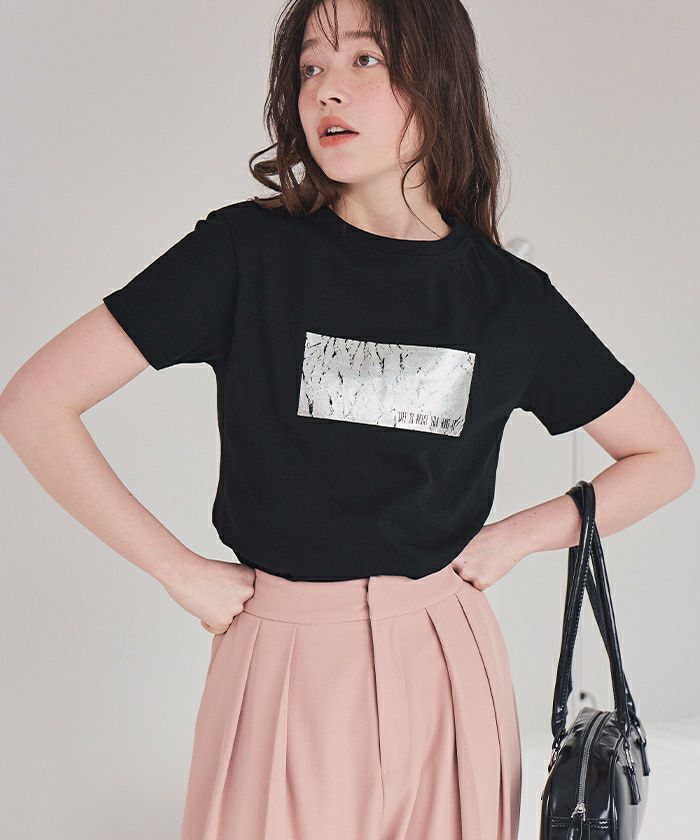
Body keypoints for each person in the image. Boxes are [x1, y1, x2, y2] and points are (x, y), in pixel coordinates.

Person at [0, 0, 694, 838]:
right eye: (310, 68)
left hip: (448, 665)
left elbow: (662, 459)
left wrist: (517, 538)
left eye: (365, 59)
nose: (327, 90)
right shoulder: (244, 255)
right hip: (280, 659)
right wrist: (176, 571)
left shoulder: (510, 299)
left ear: (440, 83)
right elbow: (35, 402)